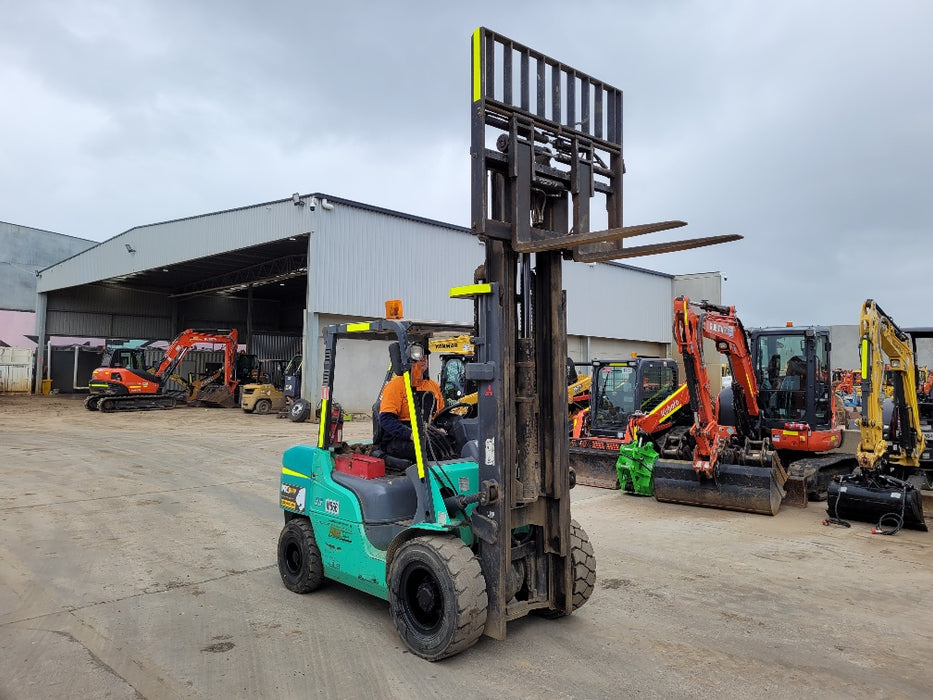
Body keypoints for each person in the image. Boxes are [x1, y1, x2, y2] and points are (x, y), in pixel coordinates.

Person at [378, 346, 445, 461]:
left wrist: (440, 427)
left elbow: (440, 414)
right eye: (419, 357)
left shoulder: (433, 386)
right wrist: (410, 434)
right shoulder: (395, 386)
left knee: (454, 440)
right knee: (428, 448)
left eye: (425, 356)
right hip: (399, 437)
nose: (423, 359)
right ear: (408, 361)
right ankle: (429, 478)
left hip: (427, 431)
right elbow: (386, 419)